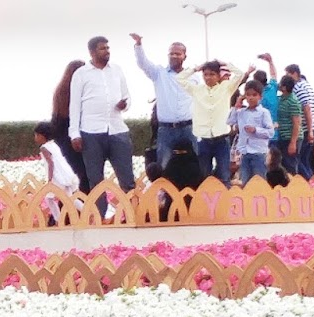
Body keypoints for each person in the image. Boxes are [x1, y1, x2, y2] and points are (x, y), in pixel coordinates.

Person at [68, 36, 135, 218]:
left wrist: (125, 104)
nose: (107, 51)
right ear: (91, 52)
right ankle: (101, 217)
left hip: (117, 130)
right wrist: (74, 133)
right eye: (102, 48)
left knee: (127, 178)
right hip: (91, 133)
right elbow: (74, 106)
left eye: (108, 47)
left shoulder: (117, 70)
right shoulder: (81, 74)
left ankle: (131, 215)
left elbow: (127, 97)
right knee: (96, 180)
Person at [179, 59, 252, 184]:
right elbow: (179, 79)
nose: (208, 78)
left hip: (221, 139)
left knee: (224, 175)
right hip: (203, 139)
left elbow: (240, 74)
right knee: (203, 177)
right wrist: (196, 68)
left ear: (218, 76)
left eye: (212, 74)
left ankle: (225, 203)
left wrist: (224, 63)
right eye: (205, 74)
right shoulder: (197, 90)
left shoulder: (226, 88)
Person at [130, 34, 196, 170]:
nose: (174, 56)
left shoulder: (193, 77)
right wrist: (138, 44)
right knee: (163, 165)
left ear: (185, 56)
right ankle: (163, 191)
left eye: (178, 53)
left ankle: (194, 191)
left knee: (195, 161)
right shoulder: (159, 73)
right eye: (171, 53)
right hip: (166, 129)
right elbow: (143, 63)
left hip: (189, 128)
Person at [50, 60, 91, 193]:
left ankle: (68, 209)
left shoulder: (60, 93)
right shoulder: (78, 93)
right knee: (84, 176)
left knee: (71, 178)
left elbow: (55, 124)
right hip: (77, 142)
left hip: (64, 143)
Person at [34, 120, 80, 224]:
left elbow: (50, 163)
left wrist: (50, 180)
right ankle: (87, 210)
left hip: (57, 178)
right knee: (69, 198)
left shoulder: (44, 148)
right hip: (66, 175)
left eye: (37, 135)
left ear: (43, 136)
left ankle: (58, 219)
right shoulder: (53, 144)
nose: (35, 138)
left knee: (49, 198)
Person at [229, 81, 274, 184]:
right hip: (244, 152)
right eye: (248, 95)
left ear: (260, 97)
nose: (251, 98)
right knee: (246, 182)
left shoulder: (264, 113)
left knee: (260, 182)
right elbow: (230, 121)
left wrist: (256, 130)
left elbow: (270, 132)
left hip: (259, 152)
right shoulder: (241, 112)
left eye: (254, 95)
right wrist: (237, 105)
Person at [286, 64, 314, 180]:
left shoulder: (298, 88)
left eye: (288, 74)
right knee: (310, 162)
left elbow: (306, 107)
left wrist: (310, 130)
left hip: (307, 129)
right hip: (313, 127)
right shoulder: (307, 85)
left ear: (294, 73)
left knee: (300, 160)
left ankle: (310, 185)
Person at [273, 75, 304, 180]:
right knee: (282, 165)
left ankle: (292, 188)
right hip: (283, 137)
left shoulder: (293, 101)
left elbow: (297, 123)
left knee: (290, 166)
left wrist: (293, 142)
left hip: (291, 138)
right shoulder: (282, 99)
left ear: (284, 87)